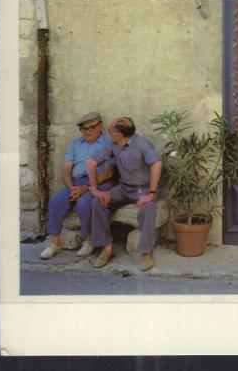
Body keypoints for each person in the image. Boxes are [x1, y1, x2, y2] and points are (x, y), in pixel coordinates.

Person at [86, 117, 162, 272]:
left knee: (149, 208)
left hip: (143, 188)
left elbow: (157, 163)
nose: (108, 132)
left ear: (119, 134)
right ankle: (107, 248)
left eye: (110, 130)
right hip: (123, 188)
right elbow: (91, 162)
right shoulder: (112, 143)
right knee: (98, 202)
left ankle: (145, 252)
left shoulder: (141, 143)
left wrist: (151, 193)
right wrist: (94, 189)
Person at [39, 112, 115, 260]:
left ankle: (89, 240)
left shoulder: (108, 142)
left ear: (100, 126)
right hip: (76, 182)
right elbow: (66, 169)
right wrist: (71, 187)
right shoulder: (75, 144)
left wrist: (86, 188)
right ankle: (53, 243)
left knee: (84, 203)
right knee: (55, 201)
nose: (87, 131)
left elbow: (108, 173)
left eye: (91, 127)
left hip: (100, 182)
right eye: (83, 128)